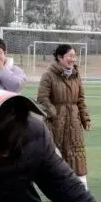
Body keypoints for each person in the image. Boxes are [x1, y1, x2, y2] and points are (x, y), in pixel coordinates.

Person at [0, 38, 51, 202]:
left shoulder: (15, 70)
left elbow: (15, 85)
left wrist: (1, 70)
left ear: (5, 53)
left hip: (12, 124)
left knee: (18, 162)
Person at [37, 45, 91, 189]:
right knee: (56, 156)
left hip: (73, 122)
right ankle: (57, 190)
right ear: (60, 57)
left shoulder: (76, 75)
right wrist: (54, 113)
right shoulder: (48, 75)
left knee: (77, 155)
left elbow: (80, 99)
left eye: (74, 56)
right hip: (55, 124)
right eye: (70, 56)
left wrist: (85, 118)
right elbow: (42, 99)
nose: (73, 59)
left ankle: (82, 189)